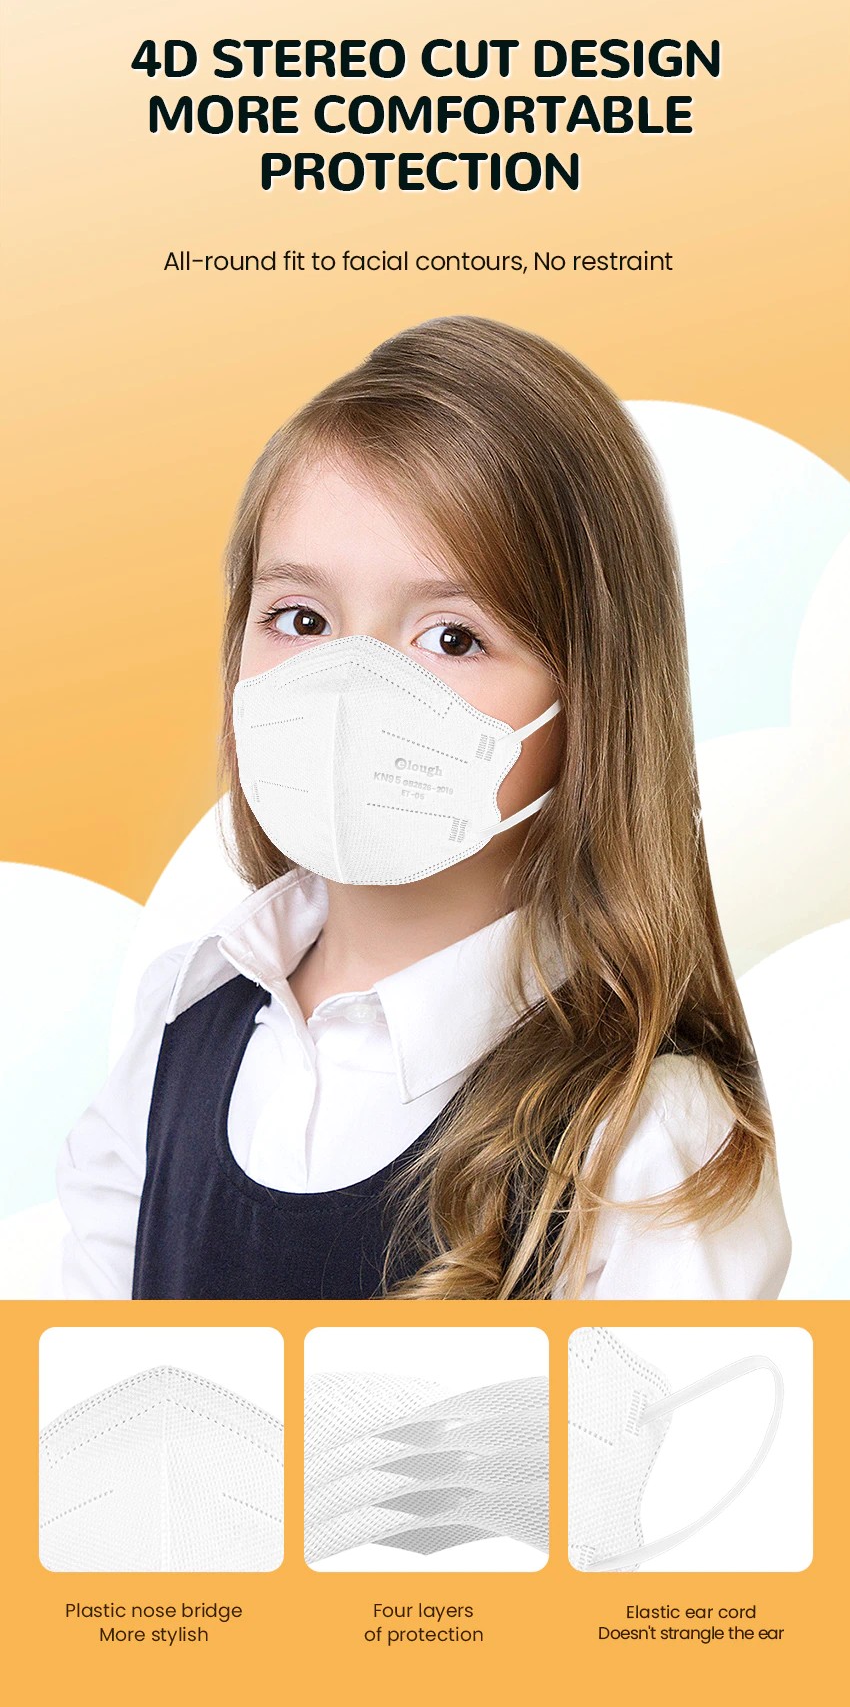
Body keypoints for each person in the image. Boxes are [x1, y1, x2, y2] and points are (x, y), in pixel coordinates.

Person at [56, 315, 791, 1300]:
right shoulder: (179, 1025)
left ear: (594, 696)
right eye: (301, 619)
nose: (350, 690)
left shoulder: (646, 1140)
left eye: (451, 638)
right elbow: (79, 1375)